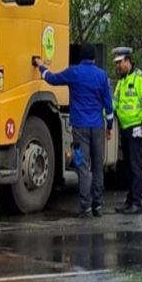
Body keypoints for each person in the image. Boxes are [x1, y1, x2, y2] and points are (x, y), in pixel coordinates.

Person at [34, 43, 114, 218]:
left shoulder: (74, 72)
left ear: (80, 57)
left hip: (79, 127)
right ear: (93, 58)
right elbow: (109, 105)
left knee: (83, 166)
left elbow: (51, 79)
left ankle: (85, 207)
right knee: (98, 166)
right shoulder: (102, 75)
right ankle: (97, 205)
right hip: (97, 127)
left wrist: (40, 65)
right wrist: (109, 127)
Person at [112, 47, 142, 215]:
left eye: (120, 63)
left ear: (128, 61)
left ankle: (137, 203)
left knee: (136, 167)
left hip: (137, 127)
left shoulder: (139, 77)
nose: (118, 66)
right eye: (117, 63)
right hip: (125, 128)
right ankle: (130, 200)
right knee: (128, 166)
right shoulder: (122, 81)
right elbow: (115, 102)